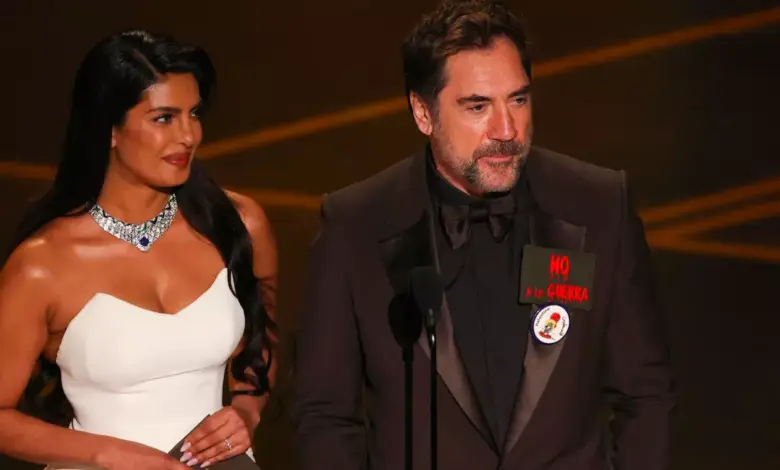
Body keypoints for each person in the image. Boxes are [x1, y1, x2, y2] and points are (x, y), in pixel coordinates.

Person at [291, 1, 675, 469]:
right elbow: (325, 416)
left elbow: (646, 392)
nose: (507, 130)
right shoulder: (355, 227)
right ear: (423, 113)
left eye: (518, 99)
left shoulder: (598, 205)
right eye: (478, 106)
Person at [0, 30, 277, 469]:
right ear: (109, 129)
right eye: (164, 118)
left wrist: (246, 411)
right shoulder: (41, 265)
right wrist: (106, 453)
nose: (188, 136)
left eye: (194, 114)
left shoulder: (238, 224)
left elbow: (264, 337)